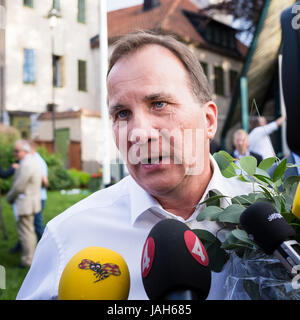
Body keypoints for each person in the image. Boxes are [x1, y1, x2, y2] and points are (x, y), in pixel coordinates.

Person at [17, 31, 257, 300]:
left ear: (209, 120)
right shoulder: (68, 236)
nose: (138, 133)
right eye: (122, 114)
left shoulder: (272, 213)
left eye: (159, 104)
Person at [6, 139, 42, 268]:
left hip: (26, 203)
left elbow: (19, 186)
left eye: (17, 151)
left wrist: (8, 198)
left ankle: (27, 261)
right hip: (31, 202)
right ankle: (30, 258)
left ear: (25, 150)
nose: (14, 153)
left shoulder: (26, 164)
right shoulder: (31, 161)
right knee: (29, 231)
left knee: (26, 232)